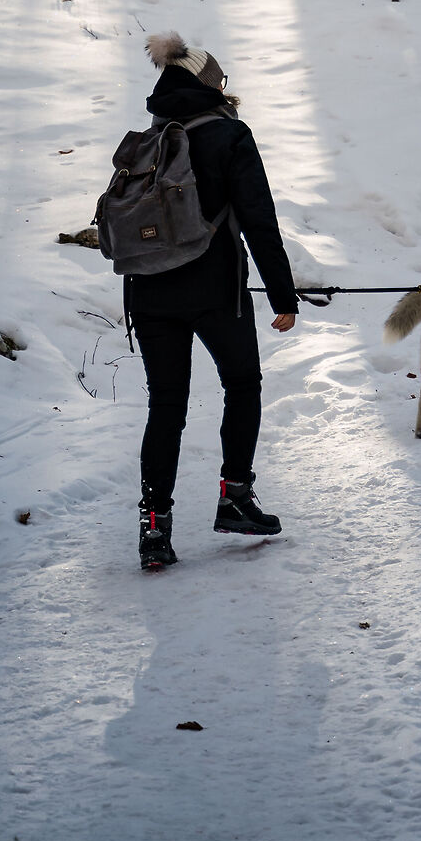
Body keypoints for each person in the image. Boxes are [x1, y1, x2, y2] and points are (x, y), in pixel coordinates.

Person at [130, 33, 299, 570]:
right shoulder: (230, 135)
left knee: (166, 408)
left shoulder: (150, 138)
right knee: (243, 384)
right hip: (215, 291)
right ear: (210, 84)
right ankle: (235, 497)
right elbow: (258, 219)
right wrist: (282, 294)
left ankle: (154, 527)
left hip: (148, 290)